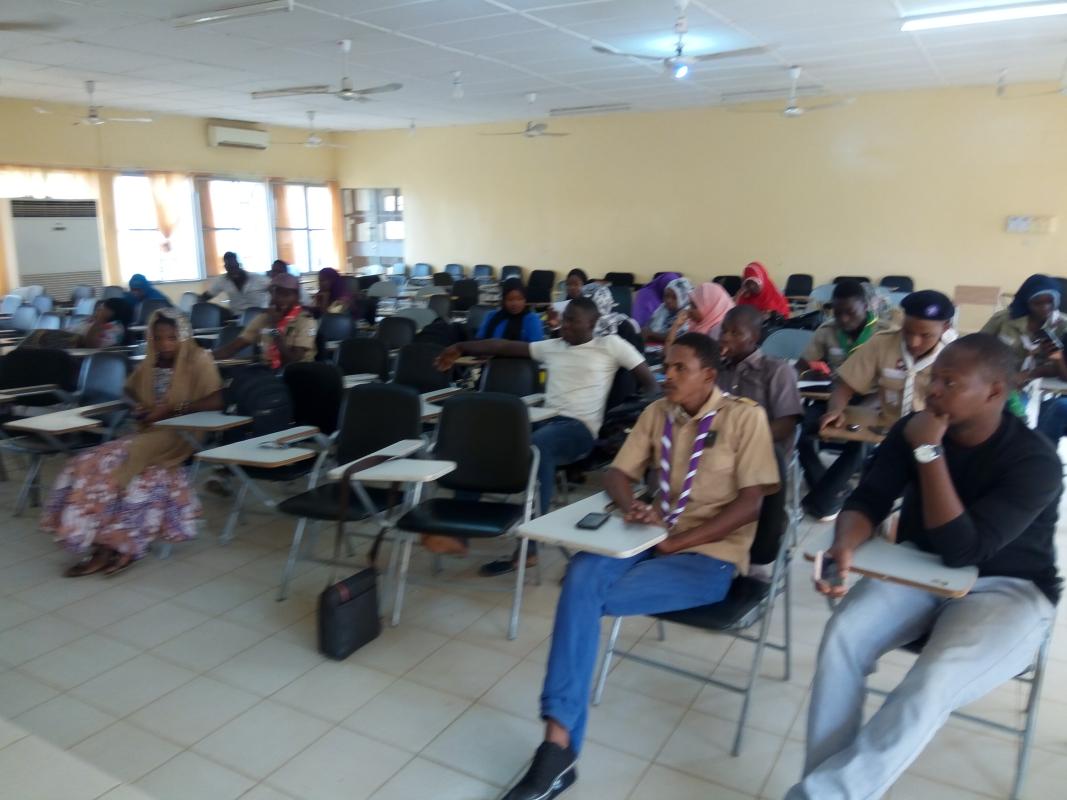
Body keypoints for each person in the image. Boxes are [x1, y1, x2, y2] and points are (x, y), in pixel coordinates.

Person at [499, 333, 780, 800]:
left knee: (581, 593)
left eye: (679, 369)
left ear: (709, 375)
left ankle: (557, 751)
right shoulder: (657, 413)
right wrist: (632, 506)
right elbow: (616, 474)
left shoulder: (744, 418)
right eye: (665, 366)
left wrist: (682, 540)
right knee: (583, 573)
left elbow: (752, 504)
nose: (666, 375)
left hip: (707, 557)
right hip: (651, 537)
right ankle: (558, 745)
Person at [787, 334, 1061, 800]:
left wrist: (929, 453)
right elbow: (868, 499)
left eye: (950, 382)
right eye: (934, 378)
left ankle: (824, 795)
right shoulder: (913, 429)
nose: (933, 390)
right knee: (843, 635)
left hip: (1010, 589)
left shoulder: (1035, 461)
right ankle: (825, 785)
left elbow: (963, 548)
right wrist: (844, 545)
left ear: (995, 391)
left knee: (936, 677)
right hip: (919, 570)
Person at [434, 296, 659, 574]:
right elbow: (503, 346)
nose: (563, 325)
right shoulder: (553, 346)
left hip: (580, 429)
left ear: (591, 323)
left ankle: (530, 547)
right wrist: (459, 346)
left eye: (571, 321)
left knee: (539, 447)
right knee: (485, 441)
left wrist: (635, 420)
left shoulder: (610, 345)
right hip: (545, 421)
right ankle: (458, 530)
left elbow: (649, 382)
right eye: (563, 319)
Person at [43, 308, 223, 577]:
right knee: (86, 462)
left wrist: (173, 409)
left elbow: (218, 400)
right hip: (148, 431)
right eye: (159, 338)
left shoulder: (198, 359)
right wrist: (137, 405)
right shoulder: (151, 362)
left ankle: (110, 545)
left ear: (183, 336)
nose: (165, 344)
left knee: (121, 466)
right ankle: (105, 546)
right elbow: (127, 390)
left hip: (180, 433)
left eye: (172, 338)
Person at [796, 281, 890, 520]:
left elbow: (889, 386)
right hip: (831, 397)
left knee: (860, 442)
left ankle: (822, 499)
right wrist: (813, 370)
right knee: (798, 428)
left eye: (850, 312)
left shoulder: (884, 334)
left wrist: (853, 410)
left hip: (872, 402)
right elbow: (802, 366)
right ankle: (829, 489)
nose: (844, 319)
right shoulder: (827, 331)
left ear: (866, 306)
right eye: (838, 313)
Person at [821, 289, 955, 434]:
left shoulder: (956, 356)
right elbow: (844, 385)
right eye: (908, 331)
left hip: (936, 433)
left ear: (945, 327)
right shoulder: (882, 343)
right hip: (889, 430)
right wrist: (835, 410)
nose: (914, 342)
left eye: (925, 335)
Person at [716, 305, 802, 461]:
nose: (725, 338)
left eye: (735, 333)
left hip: (764, 450)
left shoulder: (777, 371)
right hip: (722, 448)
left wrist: (742, 442)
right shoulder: (717, 369)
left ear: (754, 337)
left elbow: (786, 425)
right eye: (723, 331)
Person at [213, 273, 317, 367]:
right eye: (276, 294)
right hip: (268, 372)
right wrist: (204, 357)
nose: (279, 299)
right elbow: (233, 348)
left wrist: (274, 327)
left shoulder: (305, 320)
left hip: (298, 374)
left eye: (286, 295)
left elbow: (293, 360)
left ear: (297, 298)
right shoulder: (264, 318)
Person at [201, 251, 270, 316]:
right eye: (230, 267)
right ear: (226, 268)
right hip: (236, 317)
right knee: (216, 310)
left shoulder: (257, 278)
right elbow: (208, 295)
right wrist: (196, 303)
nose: (234, 271)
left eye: (235, 267)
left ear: (239, 265)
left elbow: (274, 287)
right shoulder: (222, 280)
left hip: (258, 315)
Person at [665, 280, 734, 345]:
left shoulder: (718, 333)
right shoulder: (697, 326)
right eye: (690, 305)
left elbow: (669, 353)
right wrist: (676, 326)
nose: (689, 310)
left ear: (710, 308)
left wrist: (675, 326)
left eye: (694, 307)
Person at [476, 278, 544, 342]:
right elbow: (480, 340)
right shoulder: (491, 316)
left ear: (525, 299)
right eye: (510, 299)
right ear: (503, 300)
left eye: (520, 299)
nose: (515, 303)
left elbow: (535, 347)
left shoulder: (532, 319)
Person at [644, 276, 693, 342]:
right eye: (666, 296)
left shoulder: (687, 313)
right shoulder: (662, 308)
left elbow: (677, 338)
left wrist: (651, 334)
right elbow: (649, 326)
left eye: (674, 297)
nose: (668, 300)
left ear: (684, 298)